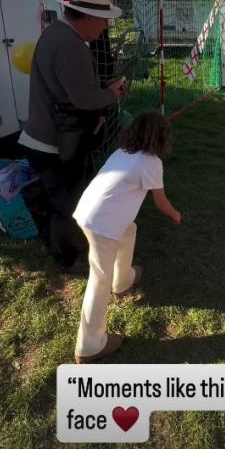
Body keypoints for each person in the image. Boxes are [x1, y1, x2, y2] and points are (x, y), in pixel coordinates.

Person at [19, 0, 126, 273]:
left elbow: (71, 91)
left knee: (66, 195)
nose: (105, 27)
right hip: (53, 143)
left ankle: (52, 222)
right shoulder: (71, 45)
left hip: (45, 137)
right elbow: (84, 98)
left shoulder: (58, 33)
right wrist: (112, 93)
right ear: (89, 17)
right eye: (103, 20)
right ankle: (64, 258)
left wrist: (101, 91)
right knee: (66, 204)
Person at [72, 111, 182, 363]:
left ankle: (122, 281)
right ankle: (89, 346)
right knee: (99, 279)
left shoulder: (122, 152)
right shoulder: (151, 163)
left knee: (129, 230)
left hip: (89, 212)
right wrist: (175, 215)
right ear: (162, 139)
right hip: (101, 225)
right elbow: (161, 202)